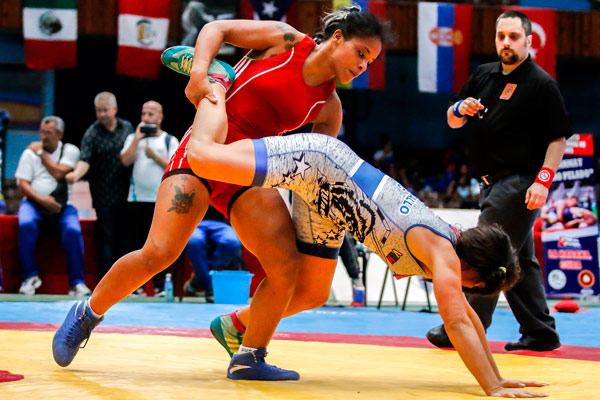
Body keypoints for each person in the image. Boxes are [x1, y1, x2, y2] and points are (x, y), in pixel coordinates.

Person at [53, 4, 389, 381]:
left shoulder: (329, 107)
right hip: (204, 148)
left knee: (286, 268)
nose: (363, 66)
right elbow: (216, 29)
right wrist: (199, 75)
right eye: (361, 54)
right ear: (338, 37)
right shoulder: (285, 39)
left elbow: (311, 169)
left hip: (245, 169)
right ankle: (88, 312)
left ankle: (249, 355)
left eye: (370, 62)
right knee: (159, 253)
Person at [137, 121, 549, 397]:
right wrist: (491, 389)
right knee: (206, 156)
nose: (467, 292)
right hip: (320, 162)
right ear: (474, 270)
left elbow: (469, 317)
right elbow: (459, 321)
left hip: (330, 206)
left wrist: (496, 376)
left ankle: (238, 324)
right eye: (474, 287)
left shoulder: (453, 250)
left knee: (313, 291)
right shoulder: (444, 254)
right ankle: (214, 84)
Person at [426, 10, 569, 352]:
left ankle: (464, 327)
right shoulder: (484, 74)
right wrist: (461, 108)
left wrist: (543, 182)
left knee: (484, 253)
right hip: (490, 183)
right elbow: (452, 120)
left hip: (518, 184)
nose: (506, 43)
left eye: (514, 37)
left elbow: (558, 139)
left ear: (529, 41)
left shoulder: (541, 83)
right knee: (519, 261)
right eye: (501, 36)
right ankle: (540, 332)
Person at [15, 116, 90, 296]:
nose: (44, 137)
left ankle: (77, 282)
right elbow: (22, 184)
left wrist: (41, 154)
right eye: (42, 132)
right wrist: (42, 200)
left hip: (64, 205)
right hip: (33, 203)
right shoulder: (28, 153)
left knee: (73, 230)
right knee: (25, 224)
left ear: (59, 134)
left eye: (48, 133)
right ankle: (30, 277)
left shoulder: (69, 150)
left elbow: (59, 172)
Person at [66, 92, 134, 278]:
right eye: (98, 111)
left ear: (114, 109)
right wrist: (75, 175)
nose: (102, 114)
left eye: (105, 110)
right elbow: (84, 160)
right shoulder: (92, 132)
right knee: (106, 237)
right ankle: (106, 280)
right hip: (102, 194)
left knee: (125, 237)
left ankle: (126, 281)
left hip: (127, 194)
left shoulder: (127, 128)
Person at [120, 100, 179, 296]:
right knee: (135, 245)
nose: (146, 118)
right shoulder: (132, 138)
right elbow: (124, 160)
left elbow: (175, 168)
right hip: (136, 199)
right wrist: (136, 139)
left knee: (159, 245)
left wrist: (155, 157)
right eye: (143, 114)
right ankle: (136, 286)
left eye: (151, 114)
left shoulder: (169, 140)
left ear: (160, 117)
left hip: (160, 201)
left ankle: (161, 285)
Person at [183, 213, 243, 302]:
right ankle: (210, 287)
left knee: (233, 242)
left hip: (221, 224)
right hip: (193, 223)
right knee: (193, 241)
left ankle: (198, 278)